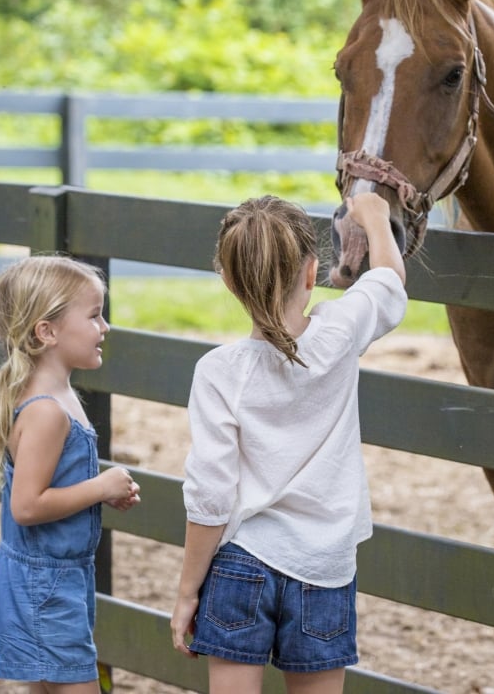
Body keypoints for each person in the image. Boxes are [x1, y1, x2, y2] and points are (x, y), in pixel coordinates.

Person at [171, 191, 407, 694]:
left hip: (240, 565)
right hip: (324, 569)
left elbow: (210, 497)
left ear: (229, 281)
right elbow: (388, 282)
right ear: (310, 273)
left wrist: (188, 591)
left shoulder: (217, 373)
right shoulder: (339, 333)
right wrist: (375, 216)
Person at [0, 254, 140, 693]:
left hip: (52, 580)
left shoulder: (56, 393)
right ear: (46, 332)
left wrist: (99, 493)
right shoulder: (48, 411)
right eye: (93, 316)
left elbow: (52, 485)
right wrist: (99, 485)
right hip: (43, 587)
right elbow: (27, 506)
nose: (104, 327)